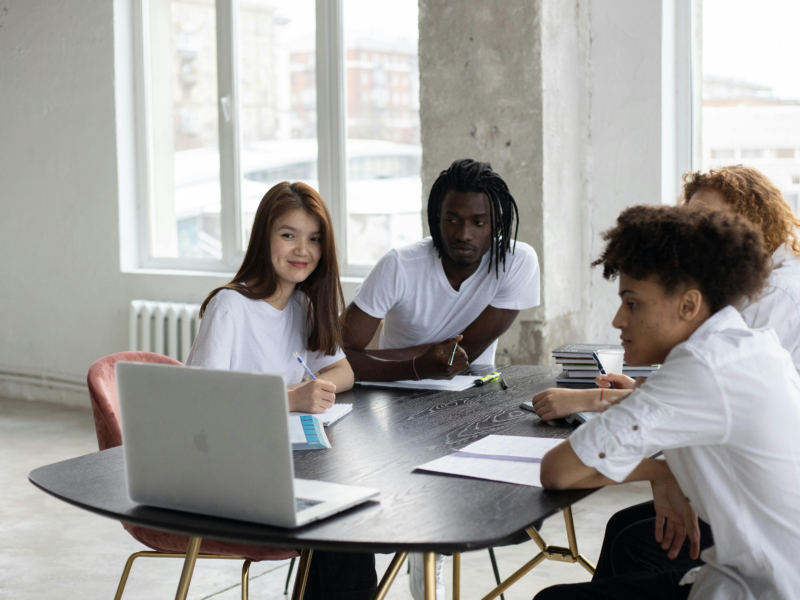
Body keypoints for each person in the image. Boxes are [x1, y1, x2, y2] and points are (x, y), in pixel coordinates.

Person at [531, 165, 800, 581]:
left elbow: (557, 470)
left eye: (633, 304)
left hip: (768, 584)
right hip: (766, 563)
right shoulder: (740, 342)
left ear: (689, 305)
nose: (618, 320)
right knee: (625, 536)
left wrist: (661, 471)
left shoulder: (705, 363)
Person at [342, 159, 540, 600]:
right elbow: (338, 355)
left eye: (477, 222)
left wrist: (420, 360)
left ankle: (435, 551)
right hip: (386, 405)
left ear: (496, 225)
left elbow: (458, 356)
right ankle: (422, 561)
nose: (463, 233)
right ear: (436, 218)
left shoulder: (516, 261)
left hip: (471, 402)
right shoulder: (400, 265)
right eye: (451, 219)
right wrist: (415, 366)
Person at [187, 182, 376, 600]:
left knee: (349, 516)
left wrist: (317, 386)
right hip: (229, 470)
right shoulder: (230, 306)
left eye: (313, 239)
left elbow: (344, 368)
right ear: (264, 237)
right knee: (343, 527)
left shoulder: (302, 307)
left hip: (285, 461)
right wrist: (290, 398)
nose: (301, 250)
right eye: (288, 235)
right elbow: (200, 401)